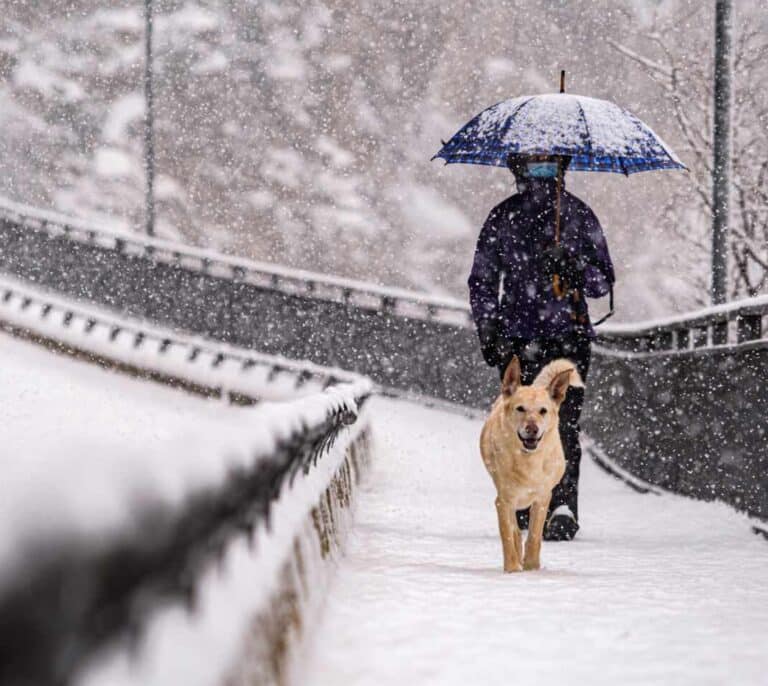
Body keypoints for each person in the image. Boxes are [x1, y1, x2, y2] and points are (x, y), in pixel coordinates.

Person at [468, 154, 615, 541]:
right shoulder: (505, 218)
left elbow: (602, 283)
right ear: (519, 169)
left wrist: (573, 266)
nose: (542, 174)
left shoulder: (577, 217)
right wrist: (489, 332)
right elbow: (482, 281)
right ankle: (524, 501)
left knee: (562, 424)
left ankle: (560, 506)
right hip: (519, 341)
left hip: (567, 340)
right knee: (520, 422)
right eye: (534, 166)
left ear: (562, 170)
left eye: (550, 166)